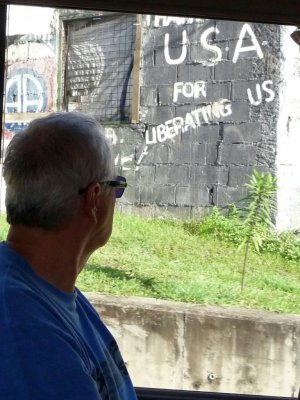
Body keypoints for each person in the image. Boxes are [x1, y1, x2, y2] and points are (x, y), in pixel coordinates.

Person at [0, 112, 136, 400]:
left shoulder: (52, 290)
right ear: (94, 199)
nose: (116, 197)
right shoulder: (23, 329)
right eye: (117, 186)